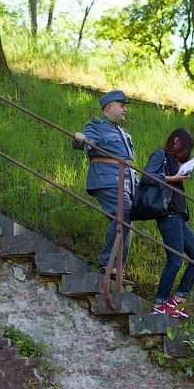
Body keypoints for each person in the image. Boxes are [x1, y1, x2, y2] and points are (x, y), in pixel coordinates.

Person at [72, 90, 137, 276]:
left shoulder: (124, 133)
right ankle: (109, 265)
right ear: (109, 107)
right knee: (124, 212)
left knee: (127, 219)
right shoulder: (97, 127)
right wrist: (79, 138)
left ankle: (116, 269)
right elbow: (85, 141)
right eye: (122, 105)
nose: (125, 109)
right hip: (108, 178)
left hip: (128, 181)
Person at [143, 128, 194, 318]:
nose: (186, 153)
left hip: (179, 216)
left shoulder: (174, 162)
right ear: (176, 140)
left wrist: (180, 172)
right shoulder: (160, 154)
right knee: (175, 261)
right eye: (185, 148)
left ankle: (177, 301)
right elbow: (146, 176)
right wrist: (173, 177)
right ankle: (159, 304)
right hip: (168, 215)